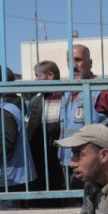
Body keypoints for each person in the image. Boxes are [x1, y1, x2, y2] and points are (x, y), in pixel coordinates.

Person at [58, 44, 108, 185]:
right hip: (70, 165)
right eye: (69, 61)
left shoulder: (101, 90)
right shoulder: (67, 92)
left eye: (78, 60)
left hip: (94, 168)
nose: (74, 66)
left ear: (90, 62)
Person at [0, 65, 37, 207]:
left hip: (7, 183)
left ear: (0, 82)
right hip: (3, 180)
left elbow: (2, 147)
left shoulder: (5, 111)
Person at [26, 60, 67, 196]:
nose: (35, 80)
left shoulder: (65, 96)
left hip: (59, 153)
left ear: (50, 76)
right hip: (39, 155)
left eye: (38, 76)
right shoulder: (36, 99)